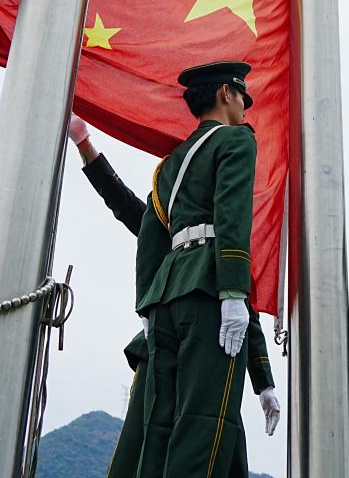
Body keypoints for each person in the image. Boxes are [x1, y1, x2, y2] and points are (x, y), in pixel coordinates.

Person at [65, 116, 279, 477]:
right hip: (169, 347)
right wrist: (87, 148)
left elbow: (243, 307)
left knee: (215, 448)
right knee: (154, 451)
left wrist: (264, 381)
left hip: (212, 350)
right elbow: (129, 209)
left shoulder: (225, 246)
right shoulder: (177, 226)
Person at [133, 61, 262, 477]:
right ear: (226, 93)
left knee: (160, 425)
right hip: (208, 288)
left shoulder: (170, 164)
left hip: (165, 296)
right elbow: (232, 217)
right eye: (242, 97)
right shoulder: (236, 140)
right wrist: (234, 293)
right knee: (204, 423)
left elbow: (150, 239)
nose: (244, 107)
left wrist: (146, 306)